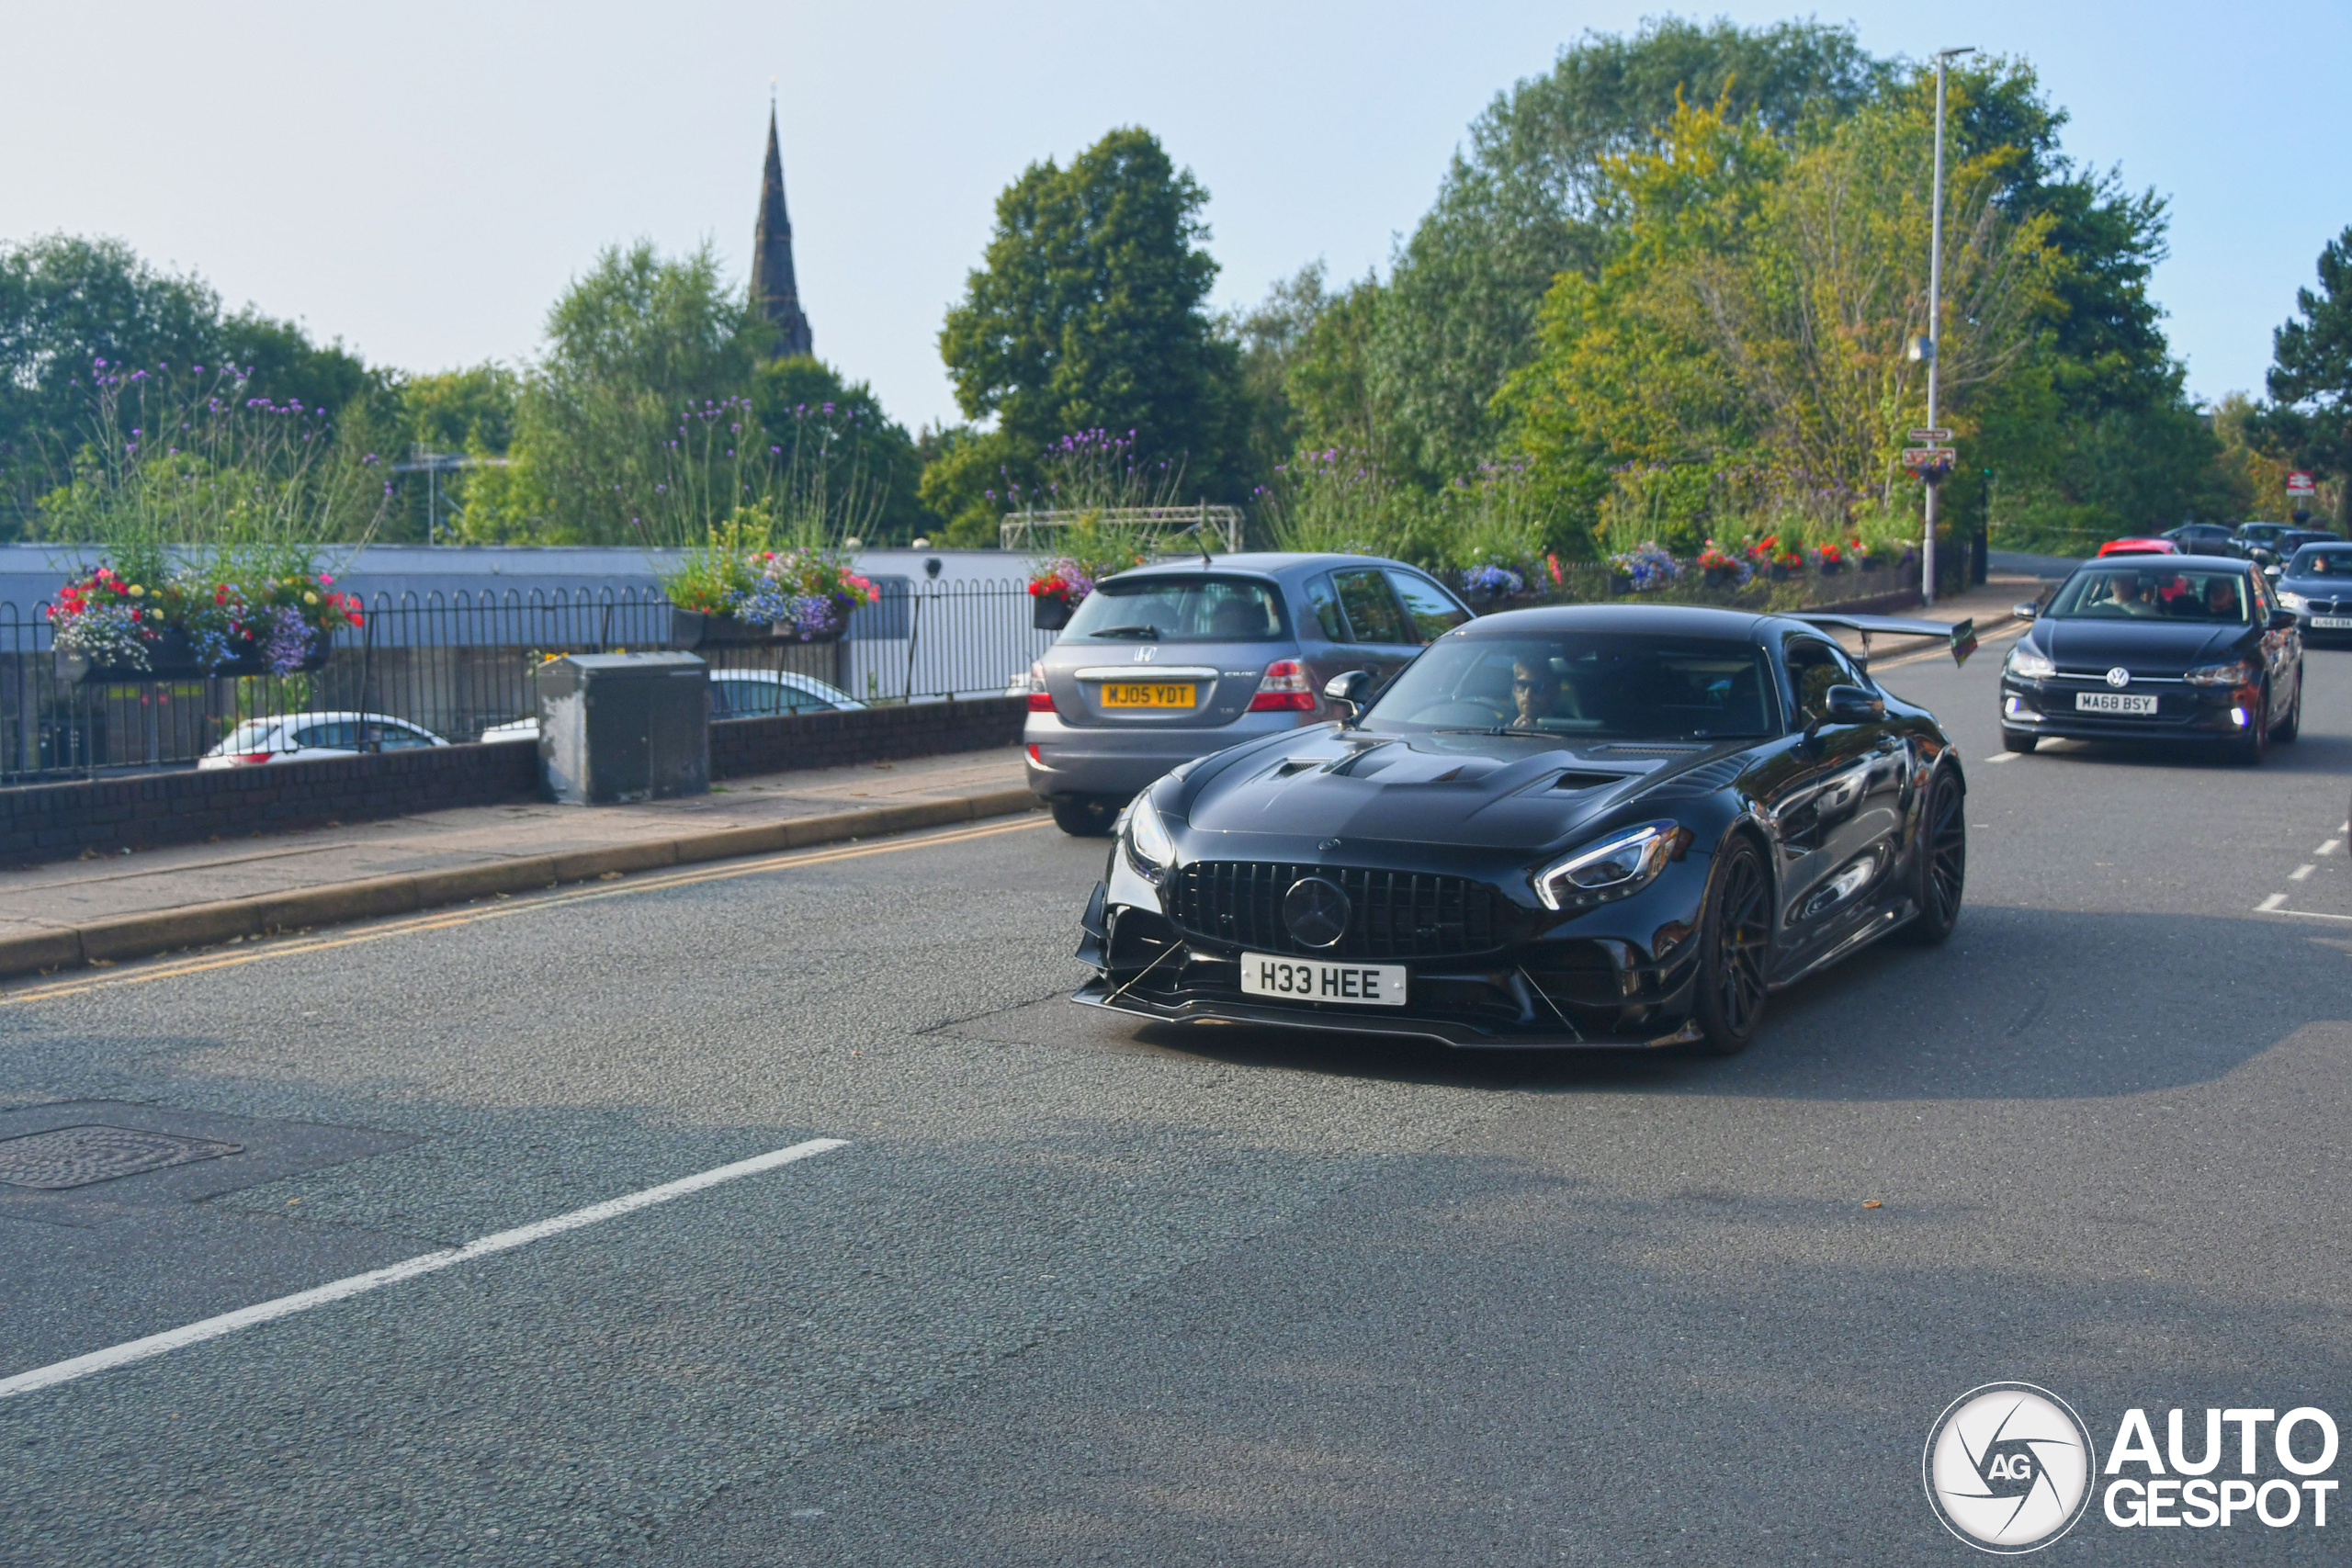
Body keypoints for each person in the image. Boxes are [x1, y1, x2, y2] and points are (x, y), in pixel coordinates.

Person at [1510, 659, 1562, 729]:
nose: (1527, 694)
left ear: (1555, 691)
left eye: (1537, 687)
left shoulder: (1570, 728)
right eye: (1522, 685)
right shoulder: (1498, 727)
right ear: (1514, 690)